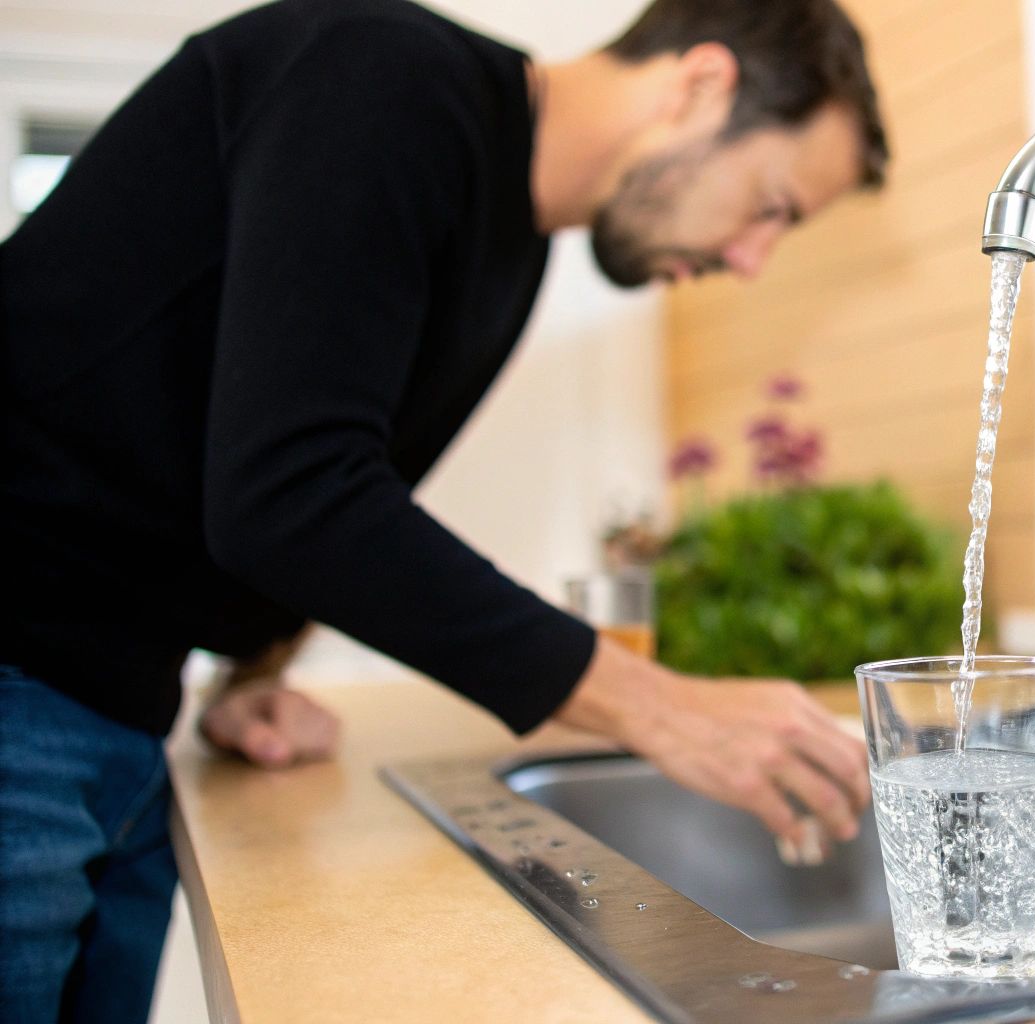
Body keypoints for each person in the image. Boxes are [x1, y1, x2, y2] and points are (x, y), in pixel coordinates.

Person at [0, 0, 888, 1018]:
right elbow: (294, 492)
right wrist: (663, 706)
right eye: (772, 206)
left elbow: (276, 457)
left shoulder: (507, 238)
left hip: (117, 711)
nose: (752, 260)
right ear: (700, 85)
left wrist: (252, 667)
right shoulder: (384, 80)